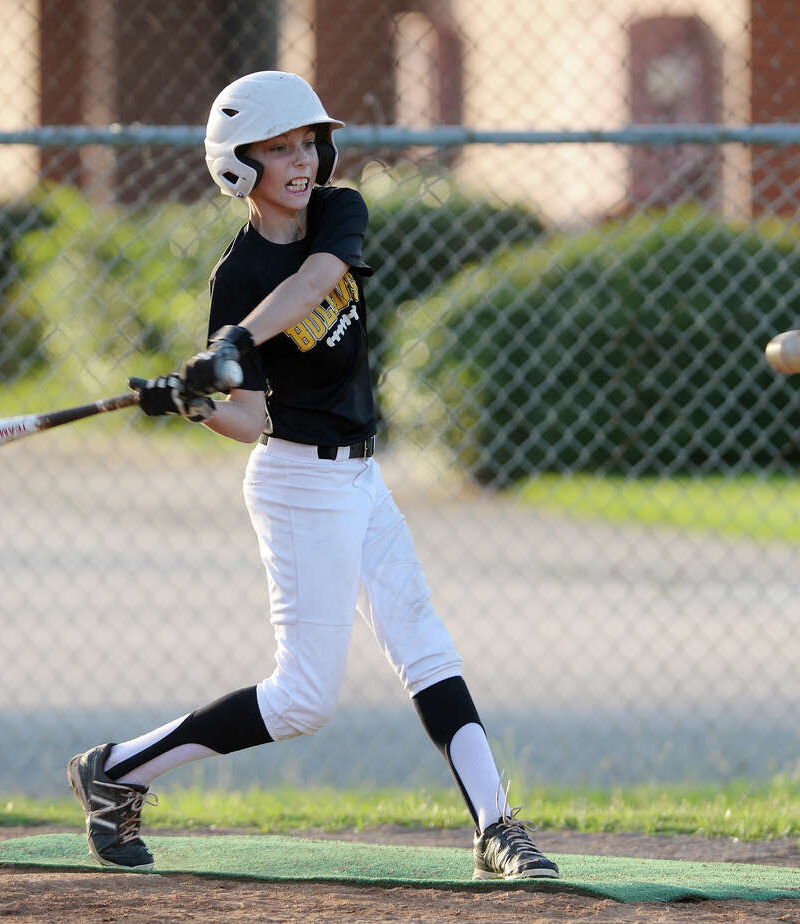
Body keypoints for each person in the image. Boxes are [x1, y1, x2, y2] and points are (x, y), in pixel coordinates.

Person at [67, 70, 558, 882]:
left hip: (362, 477)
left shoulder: (339, 211)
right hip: (296, 485)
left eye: (306, 143)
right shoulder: (236, 277)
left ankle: (497, 827)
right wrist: (193, 401)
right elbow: (252, 420)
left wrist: (231, 345)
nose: (300, 161)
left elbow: (316, 283)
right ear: (239, 165)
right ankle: (117, 770)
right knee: (303, 701)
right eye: (277, 148)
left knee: (427, 649)